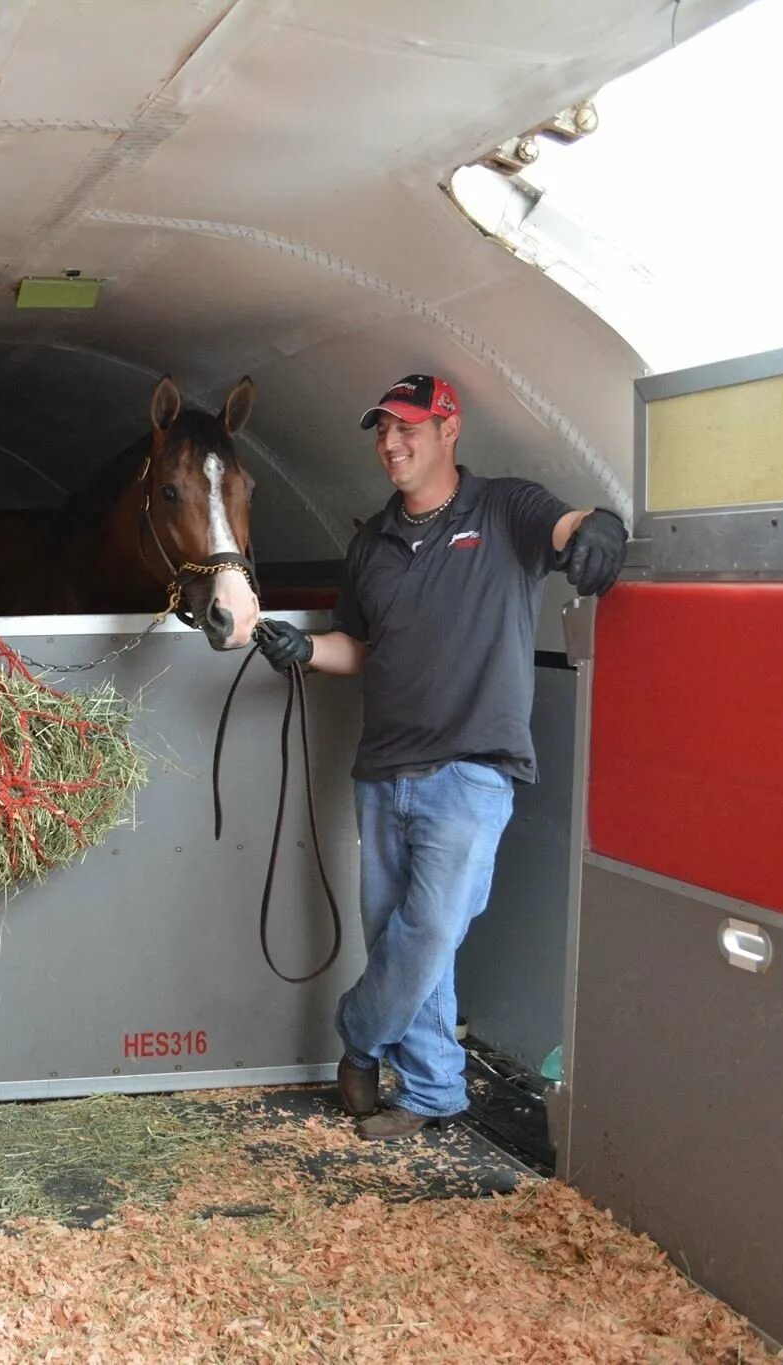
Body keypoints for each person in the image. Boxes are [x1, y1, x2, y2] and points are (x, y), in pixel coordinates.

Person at [255, 374, 625, 1140]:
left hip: (471, 769)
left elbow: (567, 527)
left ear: (449, 428)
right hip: (382, 771)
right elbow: (359, 647)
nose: (391, 445)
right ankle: (433, 1093)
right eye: (382, 432)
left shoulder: (505, 509)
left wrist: (604, 525)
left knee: (426, 932)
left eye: (408, 429)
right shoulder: (371, 544)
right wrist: (304, 650)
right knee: (404, 937)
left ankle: (357, 1034)